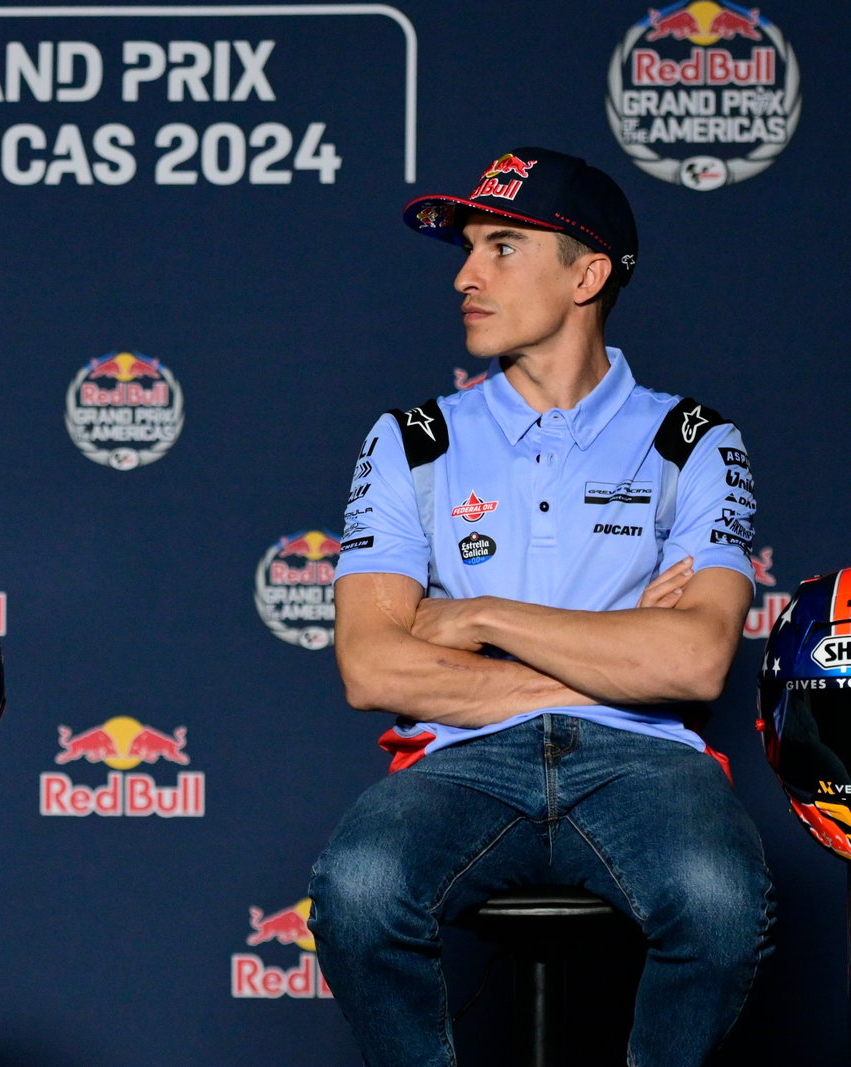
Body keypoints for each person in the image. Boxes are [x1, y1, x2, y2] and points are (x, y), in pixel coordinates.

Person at [307, 147, 772, 1066]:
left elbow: (695, 661)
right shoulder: (412, 439)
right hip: (462, 762)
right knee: (357, 890)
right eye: (470, 247)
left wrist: (478, 619)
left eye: (503, 246)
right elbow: (372, 666)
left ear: (587, 274)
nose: (465, 274)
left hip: (645, 763)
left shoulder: (694, 440)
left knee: (721, 904)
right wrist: (613, 653)